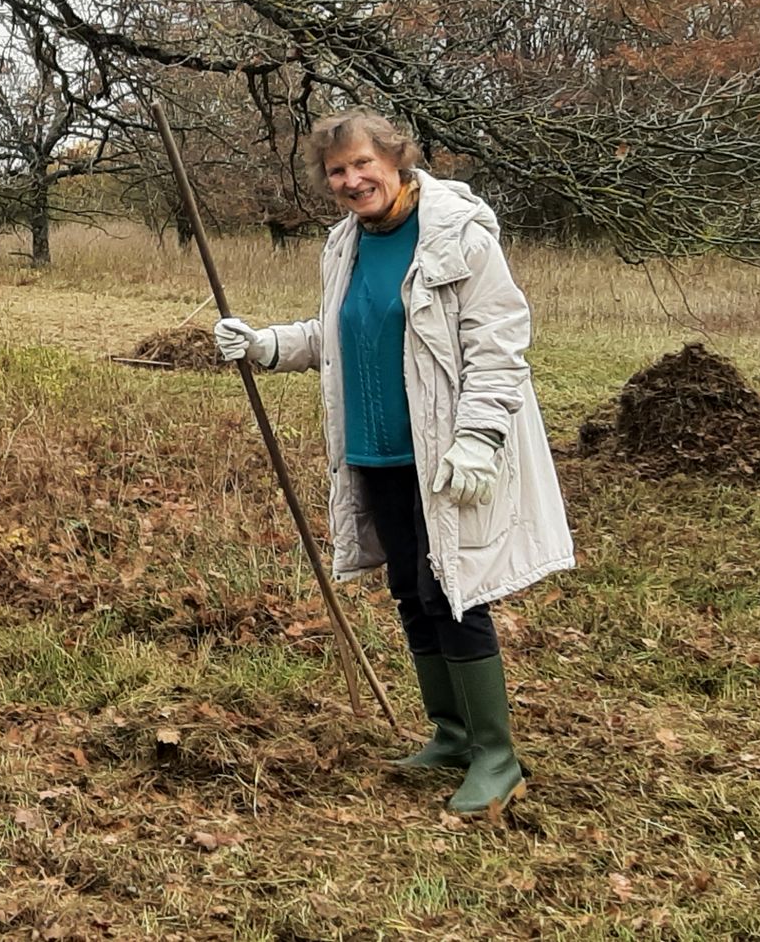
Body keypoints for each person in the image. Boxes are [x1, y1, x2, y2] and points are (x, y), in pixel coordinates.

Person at [215, 111, 573, 816]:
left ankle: (497, 757)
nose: (351, 180)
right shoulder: (346, 243)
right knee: (410, 589)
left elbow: (498, 343)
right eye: (337, 171)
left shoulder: (459, 234)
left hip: (444, 451)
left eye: (362, 164)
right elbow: (339, 332)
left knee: (452, 590)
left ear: (396, 159)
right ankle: (451, 734)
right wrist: (265, 345)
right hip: (374, 451)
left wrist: (479, 437)